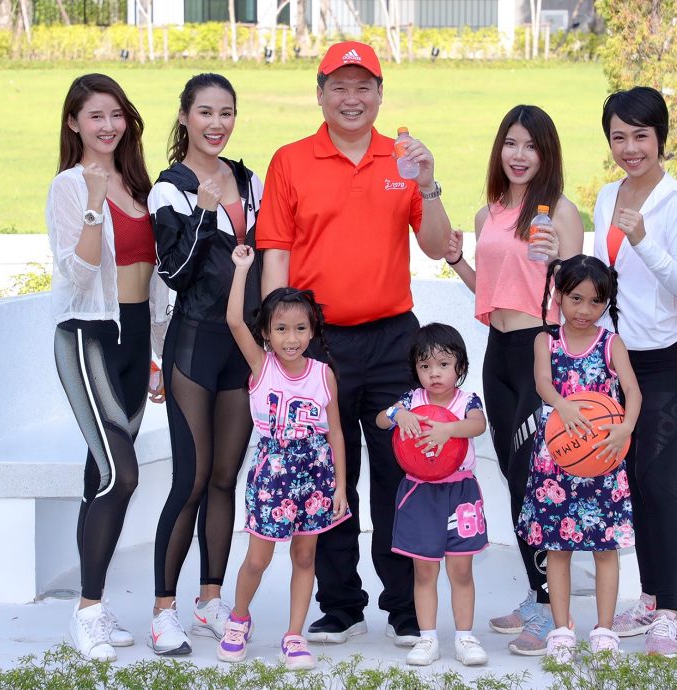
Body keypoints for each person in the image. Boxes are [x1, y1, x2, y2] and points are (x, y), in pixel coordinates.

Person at [255, 41, 452, 647]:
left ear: (380, 94)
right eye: (338, 86)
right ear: (319, 94)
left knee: (400, 470)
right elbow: (276, 254)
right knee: (326, 471)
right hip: (318, 346)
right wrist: (276, 346)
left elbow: (437, 246)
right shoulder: (291, 160)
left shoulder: (403, 159)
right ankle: (340, 605)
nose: (351, 98)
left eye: (363, 86)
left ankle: (404, 606)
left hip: (394, 340)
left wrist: (430, 185)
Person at [444, 104, 584, 656]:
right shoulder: (489, 214)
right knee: (511, 476)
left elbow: (581, 298)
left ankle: (552, 610)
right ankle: (537, 595)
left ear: (547, 154)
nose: (519, 155)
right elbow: (491, 287)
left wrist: (561, 261)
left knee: (534, 480)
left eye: (531, 146)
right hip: (497, 353)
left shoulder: (561, 212)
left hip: (538, 353)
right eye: (511, 143)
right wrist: (458, 260)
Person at [46, 73, 170, 661]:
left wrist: (156, 354)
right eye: (95, 116)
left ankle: (90, 605)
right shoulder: (71, 186)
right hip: (88, 337)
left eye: (116, 114)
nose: (108, 126)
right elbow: (76, 275)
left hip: (133, 341)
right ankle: (88, 611)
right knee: (122, 475)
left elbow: (153, 281)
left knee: (101, 477)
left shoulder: (140, 184)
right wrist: (95, 204)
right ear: (74, 123)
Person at [147, 73, 265, 656]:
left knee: (224, 477)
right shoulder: (169, 189)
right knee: (191, 479)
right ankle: (162, 610)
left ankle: (210, 600)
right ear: (185, 116)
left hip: (241, 346)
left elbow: (266, 259)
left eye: (226, 113)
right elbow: (174, 273)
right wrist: (203, 211)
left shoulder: (250, 179)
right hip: (193, 345)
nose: (217, 124)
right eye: (206, 113)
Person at [591, 86, 677, 656]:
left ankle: (670, 612)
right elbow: (602, 281)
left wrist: (642, 241)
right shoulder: (606, 195)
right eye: (619, 137)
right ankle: (650, 597)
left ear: (660, 137)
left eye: (641, 135)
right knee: (630, 483)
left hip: (661, 362)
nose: (630, 148)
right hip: (613, 362)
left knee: (658, 483)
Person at [217, 245, 349, 669]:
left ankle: (294, 635)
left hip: (316, 476)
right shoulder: (262, 366)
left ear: (312, 331)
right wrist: (242, 269)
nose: (291, 338)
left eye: (300, 329)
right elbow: (234, 320)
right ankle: (239, 619)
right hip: (272, 477)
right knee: (258, 558)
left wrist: (340, 487)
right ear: (267, 333)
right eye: (281, 329)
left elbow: (335, 433)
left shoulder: (323, 374)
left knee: (305, 557)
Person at [516, 255, 641, 663]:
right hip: (556, 465)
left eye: (595, 301)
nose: (585, 310)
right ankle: (561, 630)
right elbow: (542, 382)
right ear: (558, 295)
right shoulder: (545, 341)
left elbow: (633, 392)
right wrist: (562, 405)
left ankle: (604, 630)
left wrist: (625, 428)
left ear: (606, 303)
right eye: (575, 299)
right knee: (557, 548)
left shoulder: (611, 343)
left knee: (605, 549)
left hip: (602, 461)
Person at [375, 324, 489, 668]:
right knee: (424, 572)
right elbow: (381, 420)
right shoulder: (412, 400)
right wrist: (398, 414)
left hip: (460, 492)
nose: (434, 373)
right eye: (425, 366)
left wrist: (448, 430)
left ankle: (465, 637)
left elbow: (478, 424)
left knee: (461, 570)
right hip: (420, 493)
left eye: (443, 364)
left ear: (460, 366)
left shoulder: (467, 400)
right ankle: (427, 639)